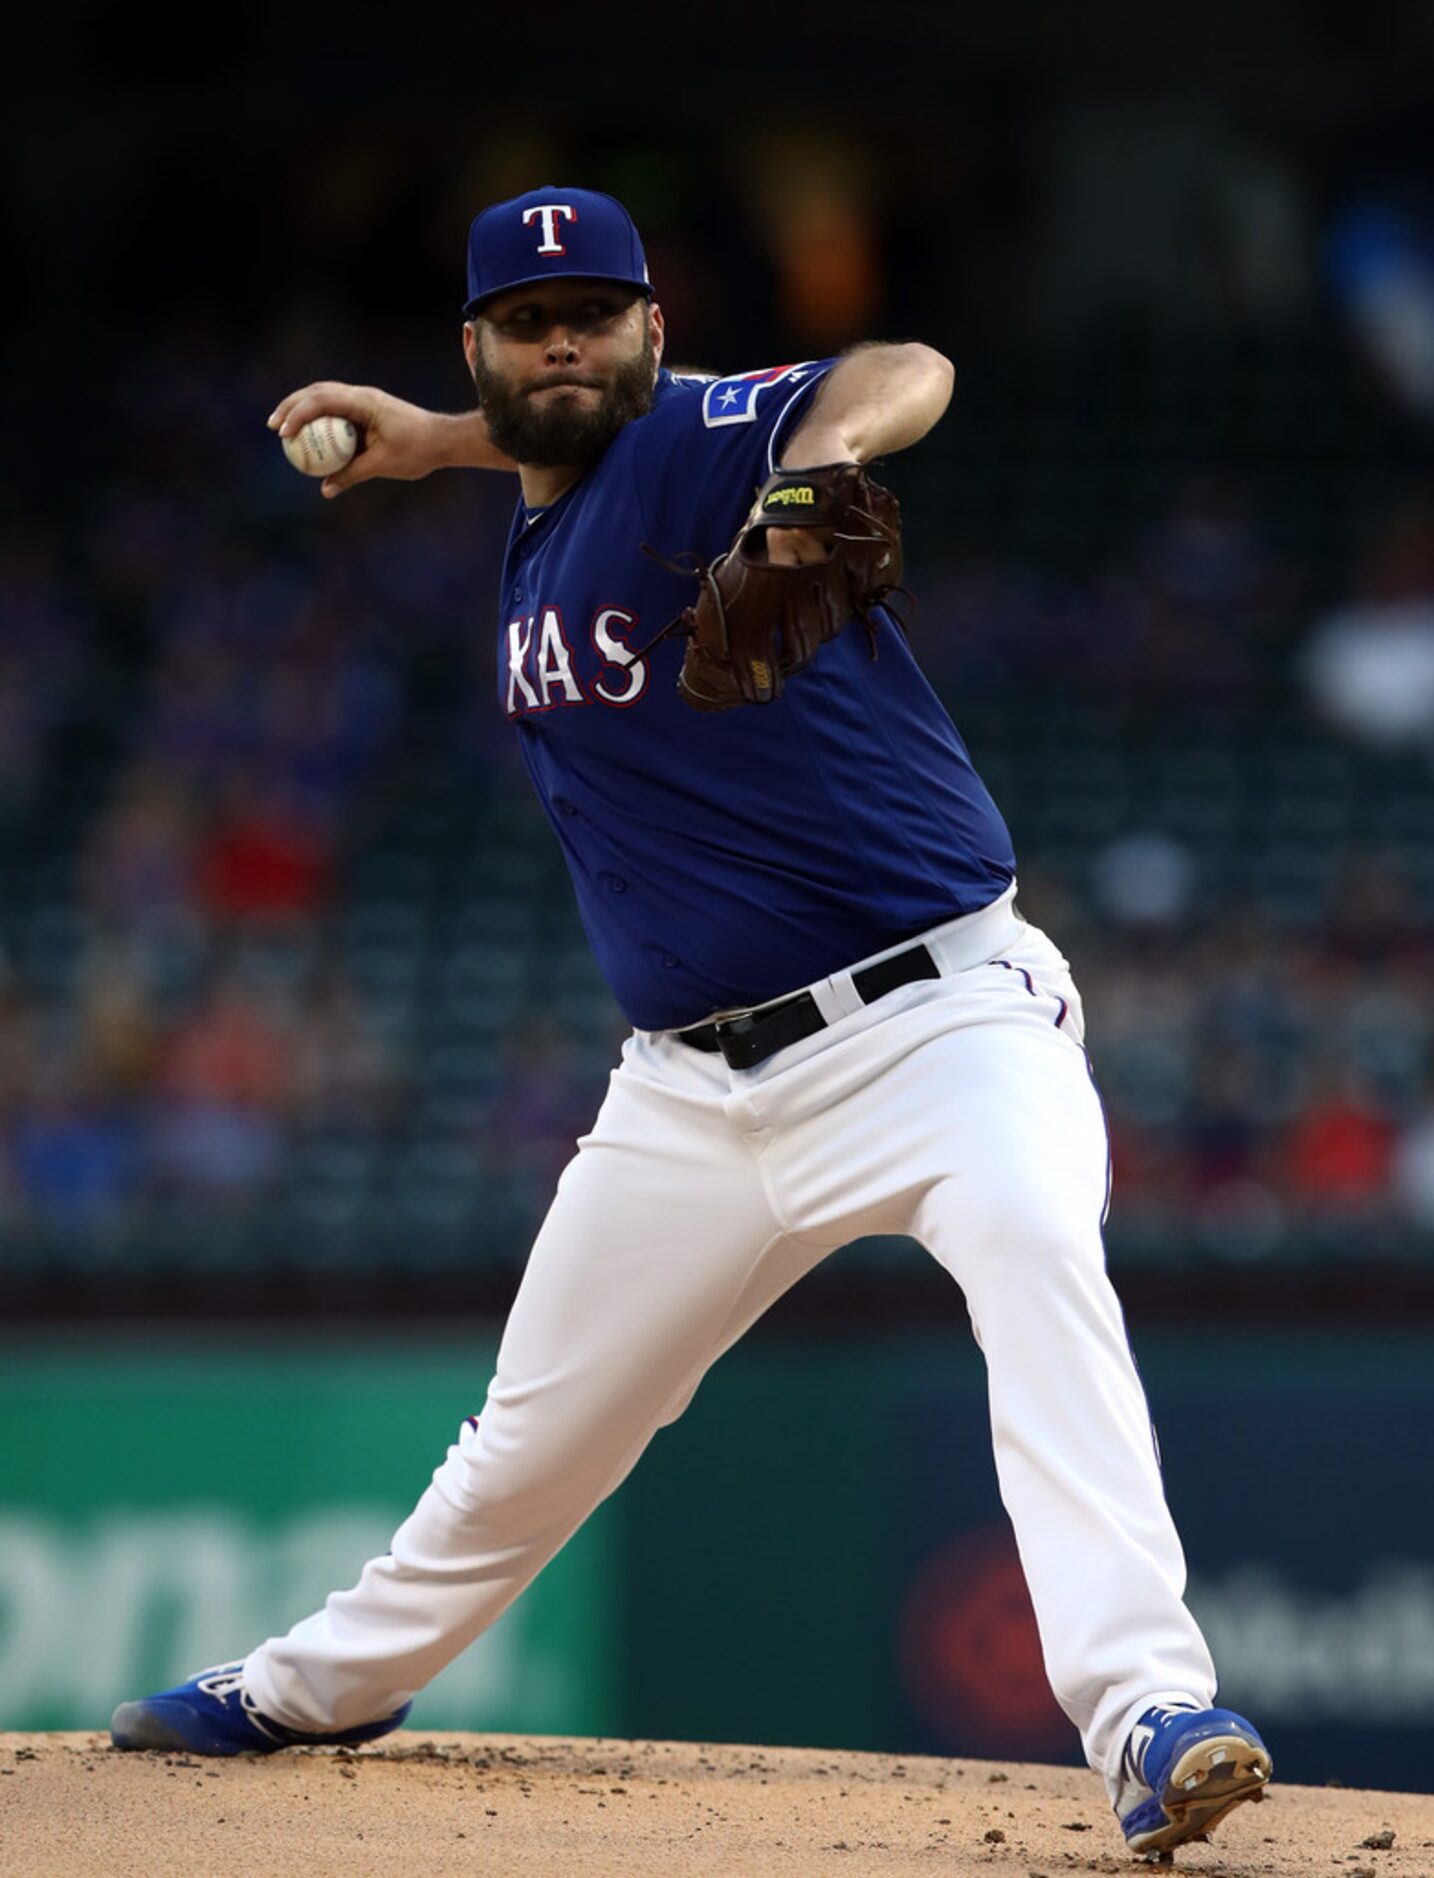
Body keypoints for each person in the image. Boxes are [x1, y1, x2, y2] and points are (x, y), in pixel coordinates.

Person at [110, 185, 1272, 1856]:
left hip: (937, 1025)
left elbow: (903, 363)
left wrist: (823, 469)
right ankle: (324, 1683)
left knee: (1034, 1249)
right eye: (530, 317)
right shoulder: (534, 499)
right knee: (530, 1434)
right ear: (480, 347)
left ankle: (1151, 1709)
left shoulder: (703, 443)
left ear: (658, 329)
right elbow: (536, 435)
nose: (566, 336)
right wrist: (428, 445)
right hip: (689, 1098)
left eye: (598, 309)